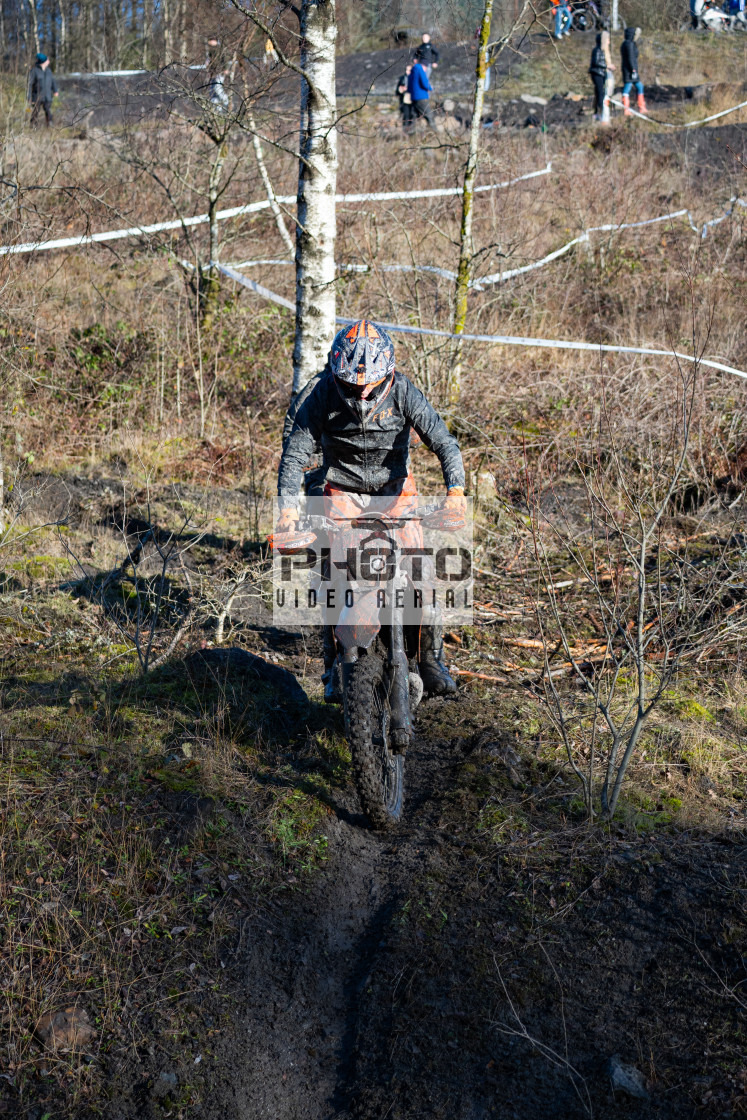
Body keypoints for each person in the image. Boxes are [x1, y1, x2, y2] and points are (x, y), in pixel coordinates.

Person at [277, 320, 465, 700]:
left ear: (388, 372)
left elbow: (444, 441)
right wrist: (287, 510)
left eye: (369, 383)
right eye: (352, 383)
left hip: (395, 491)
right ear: (336, 371)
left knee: (422, 570)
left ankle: (430, 658)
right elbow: (295, 454)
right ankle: (332, 666)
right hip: (341, 490)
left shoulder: (404, 392)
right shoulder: (321, 393)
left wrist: (456, 490)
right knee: (331, 574)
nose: (361, 390)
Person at [621, 26, 646, 116]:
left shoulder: (626, 43)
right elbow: (631, 58)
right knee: (627, 89)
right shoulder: (629, 44)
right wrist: (633, 70)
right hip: (630, 71)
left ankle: (641, 107)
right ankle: (626, 110)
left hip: (629, 70)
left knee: (639, 87)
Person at [27, 53, 58, 128]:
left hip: (47, 96)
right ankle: (33, 126)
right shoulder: (34, 71)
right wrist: (29, 97)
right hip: (37, 96)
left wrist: (55, 91)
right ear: (43, 61)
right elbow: (29, 85)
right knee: (35, 112)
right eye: (47, 60)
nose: (49, 61)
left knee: (48, 111)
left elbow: (53, 81)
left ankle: (49, 125)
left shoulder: (49, 71)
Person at [407, 60, 435, 131]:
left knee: (414, 117)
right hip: (422, 97)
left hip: (413, 98)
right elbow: (425, 82)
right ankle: (435, 132)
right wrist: (430, 88)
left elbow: (409, 87)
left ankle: (411, 134)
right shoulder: (420, 70)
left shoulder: (412, 71)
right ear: (424, 66)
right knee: (429, 115)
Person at [589, 33, 607, 122]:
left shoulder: (602, 50)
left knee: (599, 93)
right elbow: (596, 62)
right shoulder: (597, 50)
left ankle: (597, 113)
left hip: (601, 74)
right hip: (597, 74)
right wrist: (606, 66)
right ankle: (600, 113)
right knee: (600, 93)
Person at [599, 27, 615, 123]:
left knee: (608, 94)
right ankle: (604, 118)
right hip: (606, 73)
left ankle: (606, 116)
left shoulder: (607, 50)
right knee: (606, 95)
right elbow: (602, 63)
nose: (609, 41)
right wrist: (608, 66)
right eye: (608, 39)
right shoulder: (602, 50)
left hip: (608, 72)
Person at [396, 64, 413, 132]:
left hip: (413, 100)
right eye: (406, 70)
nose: (407, 72)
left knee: (412, 116)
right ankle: (405, 131)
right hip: (404, 100)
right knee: (406, 116)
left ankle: (412, 131)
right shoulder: (402, 78)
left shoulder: (414, 78)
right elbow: (397, 91)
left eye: (409, 70)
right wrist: (400, 90)